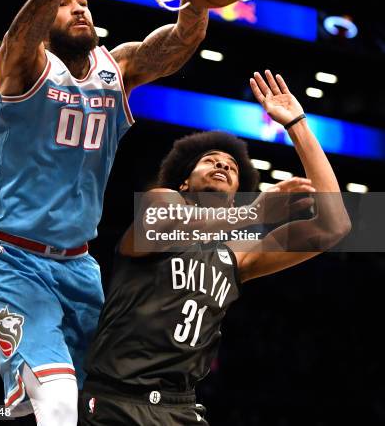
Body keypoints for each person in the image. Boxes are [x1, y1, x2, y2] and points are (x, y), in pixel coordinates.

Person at [0, 0, 210, 425]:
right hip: (10, 261)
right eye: (68, 4)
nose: (80, 7)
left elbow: (183, 40)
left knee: (103, 400)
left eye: (86, 3)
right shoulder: (21, 64)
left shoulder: (115, 68)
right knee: (56, 402)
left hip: (79, 266)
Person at [78, 70, 351, 425]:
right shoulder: (163, 200)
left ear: (236, 193)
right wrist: (252, 213)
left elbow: (335, 226)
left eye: (232, 166)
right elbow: (160, 226)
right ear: (184, 181)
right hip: (116, 400)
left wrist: (297, 125)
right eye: (209, 160)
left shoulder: (239, 253)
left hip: (181, 407)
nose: (222, 163)